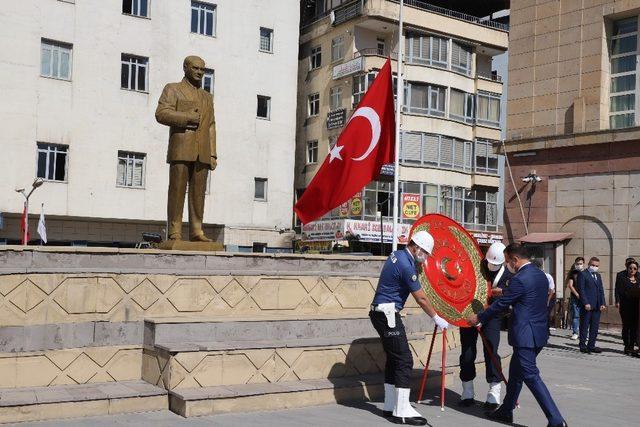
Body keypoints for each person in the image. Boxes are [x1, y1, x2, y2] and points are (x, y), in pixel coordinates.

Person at [467, 243, 566, 427]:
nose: (507, 266)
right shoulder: (540, 275)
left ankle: (556, 419)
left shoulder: (519, 279)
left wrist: (479, 317)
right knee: (515, 373)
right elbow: (529, 294)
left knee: (530, 375)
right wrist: (505, 291)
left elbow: (501, 305)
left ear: (515, 259)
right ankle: (506, 411)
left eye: (507, 262)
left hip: (525, 336)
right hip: (539, 333)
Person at [370, 231, 449, 426]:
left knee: (394, 359)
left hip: (381, 312)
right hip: (387, 314)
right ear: (417, 247)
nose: (426, 257)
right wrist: (436, 317)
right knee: (405, 360)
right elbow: (420, 297)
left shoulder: (398, 255)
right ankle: (402, 410)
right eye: (425, 253)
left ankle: (390, 405)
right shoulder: (407, 265)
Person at [156, 56, 217, 242]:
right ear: (185, 68)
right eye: (196, 68)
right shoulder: (172, 89)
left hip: (203, 151)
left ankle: (197, 230)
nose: (199, 72)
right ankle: (174, 230)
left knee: (198, 193)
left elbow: (211, 125)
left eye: (202, 69)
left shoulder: (207, 97)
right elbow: (161, 113)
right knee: (177, 190)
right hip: (181, 148)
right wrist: (186, 118)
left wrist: (213, 153)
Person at [458, 242, 512, 410]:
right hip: (470, 314)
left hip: (492, 316)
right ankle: (467, 390)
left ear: (503, 262)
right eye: (490, 262)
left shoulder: (508, 275)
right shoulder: (475, 267)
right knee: (467, 352)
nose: (492, 266)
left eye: (496, 264)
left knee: (491, 351)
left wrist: (501, 292)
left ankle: (494, 392)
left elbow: (511, 296)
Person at [576, 257, 606, 354]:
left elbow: (601, 290)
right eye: (593, 265)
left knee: (594, 327)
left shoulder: (598, 275)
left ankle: (591, 345)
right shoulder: (583, 274)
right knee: (584, 326)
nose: (595, 267)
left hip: (597, 306)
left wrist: (602, 303)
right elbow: (581, 290)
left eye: (596, 266)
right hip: (587, 305)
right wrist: (585, 302)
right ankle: (582, 345)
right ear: (589, 264)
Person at [617, 260, 640, 356]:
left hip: (637, 306)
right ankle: (627, 347)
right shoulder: (622, 278)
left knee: (635, 327)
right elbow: (618, 290)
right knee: (627, 326)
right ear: (627, 268)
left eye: (635, 268)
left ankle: (632, 347)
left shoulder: (639, 278)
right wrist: (618, 301)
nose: (632, 270)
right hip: (626, 305)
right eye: (630, 268)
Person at [566, 257, 585, 340]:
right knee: (576, 316)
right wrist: (577, 294)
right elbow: (570, 285)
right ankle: (575, 333)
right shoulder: (573, 273)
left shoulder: (586, 273)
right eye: (577, 264)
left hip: (585, 298)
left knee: (585, 316)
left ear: (583, 264)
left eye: (580, 264)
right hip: (575, 297)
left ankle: (584, 334)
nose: (579, 265)